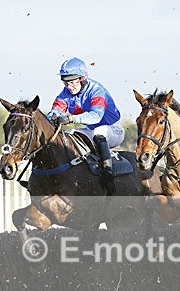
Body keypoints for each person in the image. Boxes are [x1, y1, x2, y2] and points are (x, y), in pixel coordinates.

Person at [45, 58, 122, 194]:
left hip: (113, 129)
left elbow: (96, 116)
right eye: (66, 82)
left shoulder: (97, 90)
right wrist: (49, 119)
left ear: (82, 78)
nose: (69, 86)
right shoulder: (65, 94)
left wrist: (71, 118)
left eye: (73, 81)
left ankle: (108, 173)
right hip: (89, 130)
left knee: (99, 131)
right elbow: (54, 112)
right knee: (68, 137)